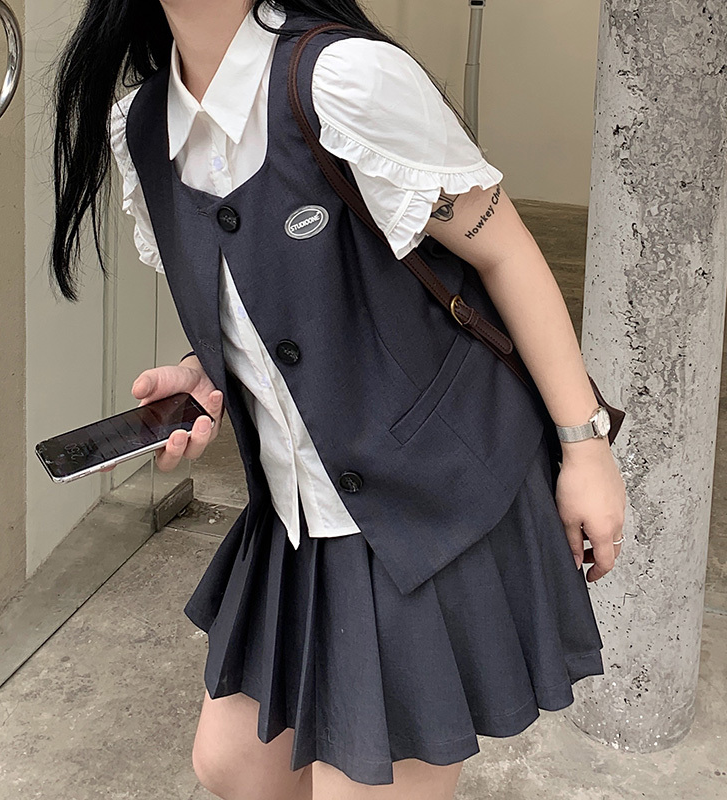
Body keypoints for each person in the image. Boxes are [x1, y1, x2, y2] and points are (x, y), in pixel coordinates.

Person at [49, 1, 627, 797]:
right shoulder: (144, 127)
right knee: (231, 766)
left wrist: (586, 448)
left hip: (426, 505)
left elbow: (506, 253)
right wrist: (206, 370)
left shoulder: (344, 81)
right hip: (295, 521)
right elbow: (262, 291)